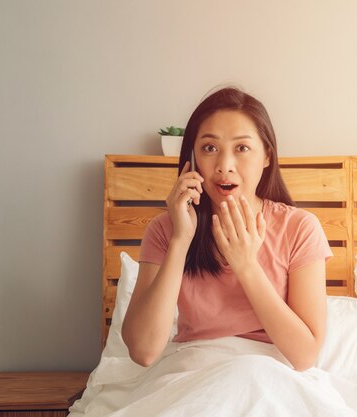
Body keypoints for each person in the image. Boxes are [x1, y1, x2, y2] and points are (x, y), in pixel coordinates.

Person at [121, 86, 332, 372]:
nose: (224, 165)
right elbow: (143, 352)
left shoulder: (299, 228)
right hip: (193, 373)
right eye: (210, 148)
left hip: (270, 377)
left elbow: (305, 356)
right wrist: (181, 240)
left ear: (267, 156)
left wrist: (246, 265)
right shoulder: (166, 230)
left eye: (242, 148)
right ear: (192, 158)